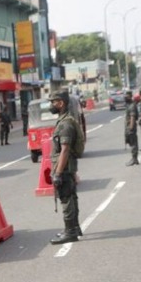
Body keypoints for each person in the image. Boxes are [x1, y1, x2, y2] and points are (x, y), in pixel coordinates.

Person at [47, 90, 82, 244]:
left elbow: (65, 149)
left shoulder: (66, 124)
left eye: (53, 102)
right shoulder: (64, 121)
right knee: (71, 198)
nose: (51, 105)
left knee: (66, 199)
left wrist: (58, 173)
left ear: (61, 103)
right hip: (68, 168)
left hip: (64, 168)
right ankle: (74, 228)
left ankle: (70, 232)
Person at [124, 90, 139, 166]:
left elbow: (132, 117)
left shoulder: (132, 106)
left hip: (131, 128)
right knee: (132, 143)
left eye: (126, 96)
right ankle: (134, 158)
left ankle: (134, 159)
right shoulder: (129, 105)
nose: (125, 98)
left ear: (130, 96)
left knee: (133, 143)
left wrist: (131, 128)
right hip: (129, 127)